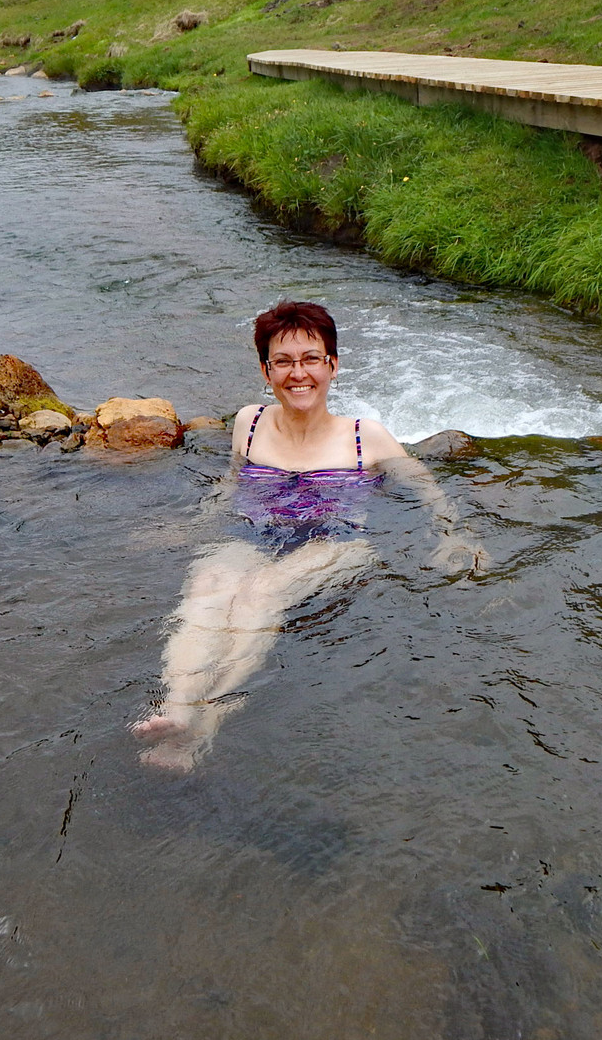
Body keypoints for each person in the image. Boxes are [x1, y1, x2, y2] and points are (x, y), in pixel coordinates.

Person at [132, 301, 487, 771]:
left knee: (262, 592)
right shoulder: (249, 423)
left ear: (332, 366)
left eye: (310, 359)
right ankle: (179, 705)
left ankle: (211, 712)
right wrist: (190, 527)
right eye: (283, 361)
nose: (298, 374)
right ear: (266, 370)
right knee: (209, 586)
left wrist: (454, 536)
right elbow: (230, 485)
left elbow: (428, 490)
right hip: (255, 534)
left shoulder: (366, 437)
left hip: (337, 542)